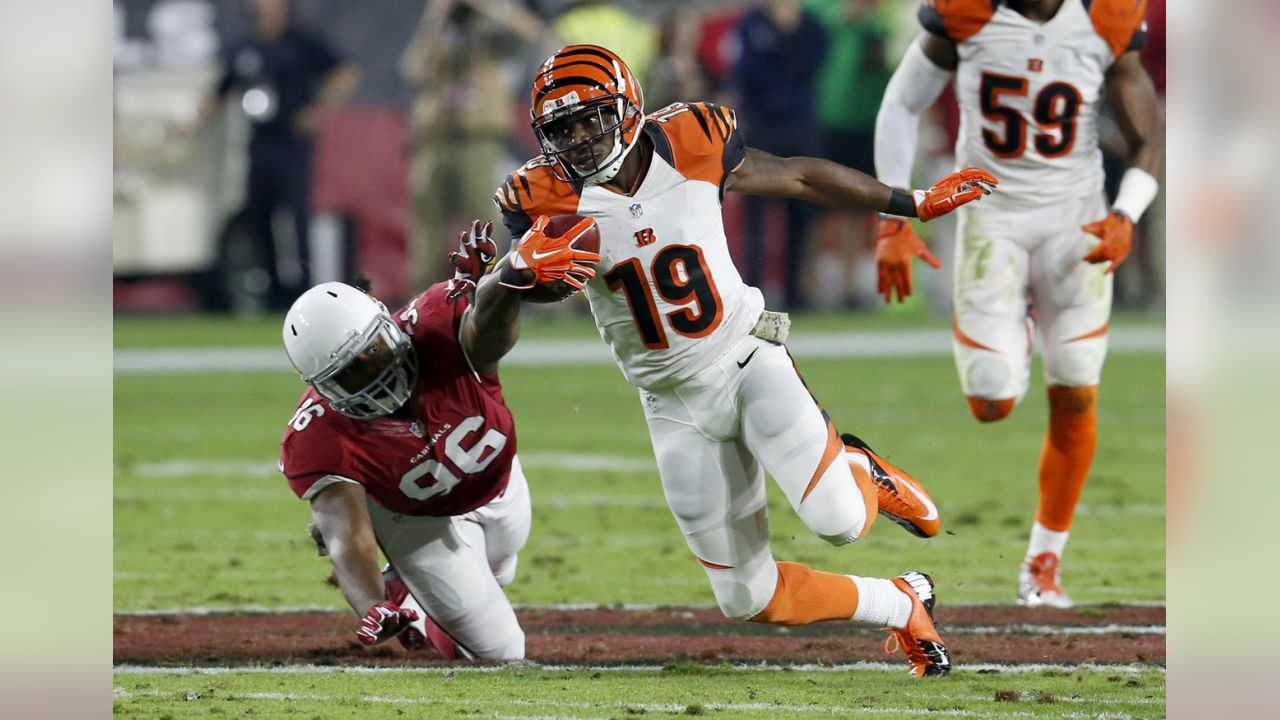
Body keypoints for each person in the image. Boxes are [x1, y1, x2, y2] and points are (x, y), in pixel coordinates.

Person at [492, 44, 998, 676]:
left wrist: (911, 202)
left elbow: (797, 176)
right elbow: (520, 295)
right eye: (562, 128)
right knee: (747, 598)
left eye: (591, 117)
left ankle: (864, 471)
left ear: (626, 108)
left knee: (839, 520)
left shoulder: (689, 142)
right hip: (670, 402)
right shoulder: (539, 196)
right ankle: (900, 602)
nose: (580, 137)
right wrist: (514, 275)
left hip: (746, 355)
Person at [873, 0, 1162, 607]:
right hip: (991, 217)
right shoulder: (966, 12)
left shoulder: (1107, 17)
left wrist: (1126, 215)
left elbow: (1147, 136)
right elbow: (902, 102)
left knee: (1078, 386)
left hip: (1075, 215)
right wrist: (893, 221)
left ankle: (1042, 564)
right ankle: (1021, 327)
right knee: (991, 400)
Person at [278, 219, 598, 659]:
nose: (371, 377)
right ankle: (412, 604)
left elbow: (489, 327)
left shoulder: (432, 324)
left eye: (371, 353)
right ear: (321, 386)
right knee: (502, 653)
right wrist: (372, 606)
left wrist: (507, 278)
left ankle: (415, 591)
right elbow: (344, 537)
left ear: (387, 324)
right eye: (349, 374)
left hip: (499, 487)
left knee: (501, 568)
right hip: (417, 522)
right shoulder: (318, 433)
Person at [197, 0, 359, 310]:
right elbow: (220, 91)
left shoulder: (301, 41)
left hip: (293, 145)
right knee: (260, 216)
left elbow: (346, 71)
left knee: (297, 217)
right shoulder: (245, 47)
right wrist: (190, 123)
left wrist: (318, 110)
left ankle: (303, 287)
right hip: (260, 145)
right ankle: (273, 291)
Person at [399, 0, 552, 289]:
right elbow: (414, 68)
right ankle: (421, 301)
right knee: (427, 228)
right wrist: (437, 16)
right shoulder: (442, 32)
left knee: (483, 222)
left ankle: (487, 294)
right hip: (435, 140)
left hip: (480, 139)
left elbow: (534, 35)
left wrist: (486, 6)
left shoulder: (494, 34)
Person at [731, 0, 828, 309]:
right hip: (762, 128)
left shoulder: (810, 24)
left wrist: (781, 41)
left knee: (800, 211)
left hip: (799, 128)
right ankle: (753, 287)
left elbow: (813, 64)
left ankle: (794, 290)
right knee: (756, 212)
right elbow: (747, 73)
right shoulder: (752, 24)